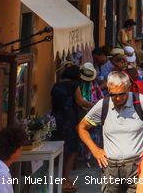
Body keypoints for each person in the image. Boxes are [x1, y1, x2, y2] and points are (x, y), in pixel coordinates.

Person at [78, 71, 143, 193]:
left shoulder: (140, 102)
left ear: (128, 88)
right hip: (110, 168)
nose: (117, 98)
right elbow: (81, 127)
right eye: (113, 94)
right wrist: (95, 150)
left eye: (122, 94)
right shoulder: (103, 105)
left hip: (138, 166)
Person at [51, 64, 83, 192]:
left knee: (59, 150)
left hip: (56, 120)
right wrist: (93, 105)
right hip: (69, 120)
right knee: (72, 150)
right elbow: (80, 101)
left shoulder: (56, 86)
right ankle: (64, 180)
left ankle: (61, 179)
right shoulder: (74, 85)